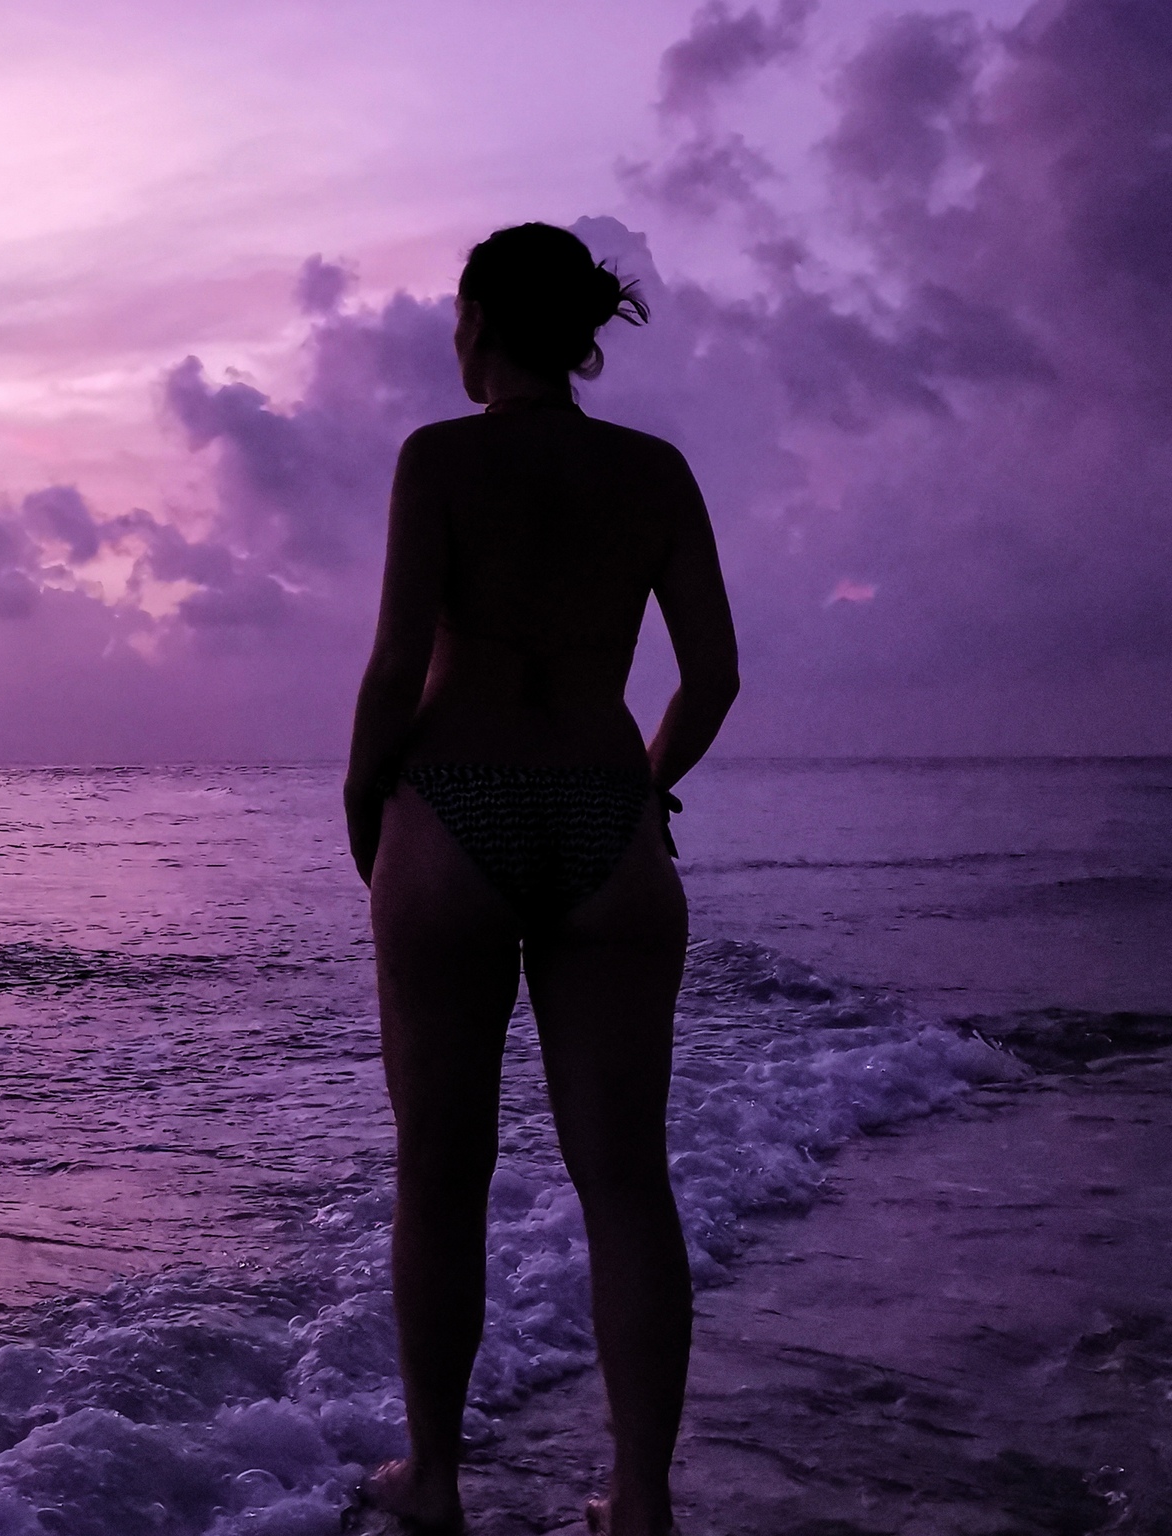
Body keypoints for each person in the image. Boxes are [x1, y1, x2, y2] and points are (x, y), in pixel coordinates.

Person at [343, 223, 739, 1536]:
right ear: (576, 332)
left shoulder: (439, 460)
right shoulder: (655, 472)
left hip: (451, 810)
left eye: (457, 321)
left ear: (476, 324)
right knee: (626, 1178)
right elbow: (714, 674)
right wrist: (647, 781)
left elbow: (400, 667)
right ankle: (638, 1502)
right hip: (605, 815)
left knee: (442, 1176)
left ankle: (436, 1485)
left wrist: (364, 799)